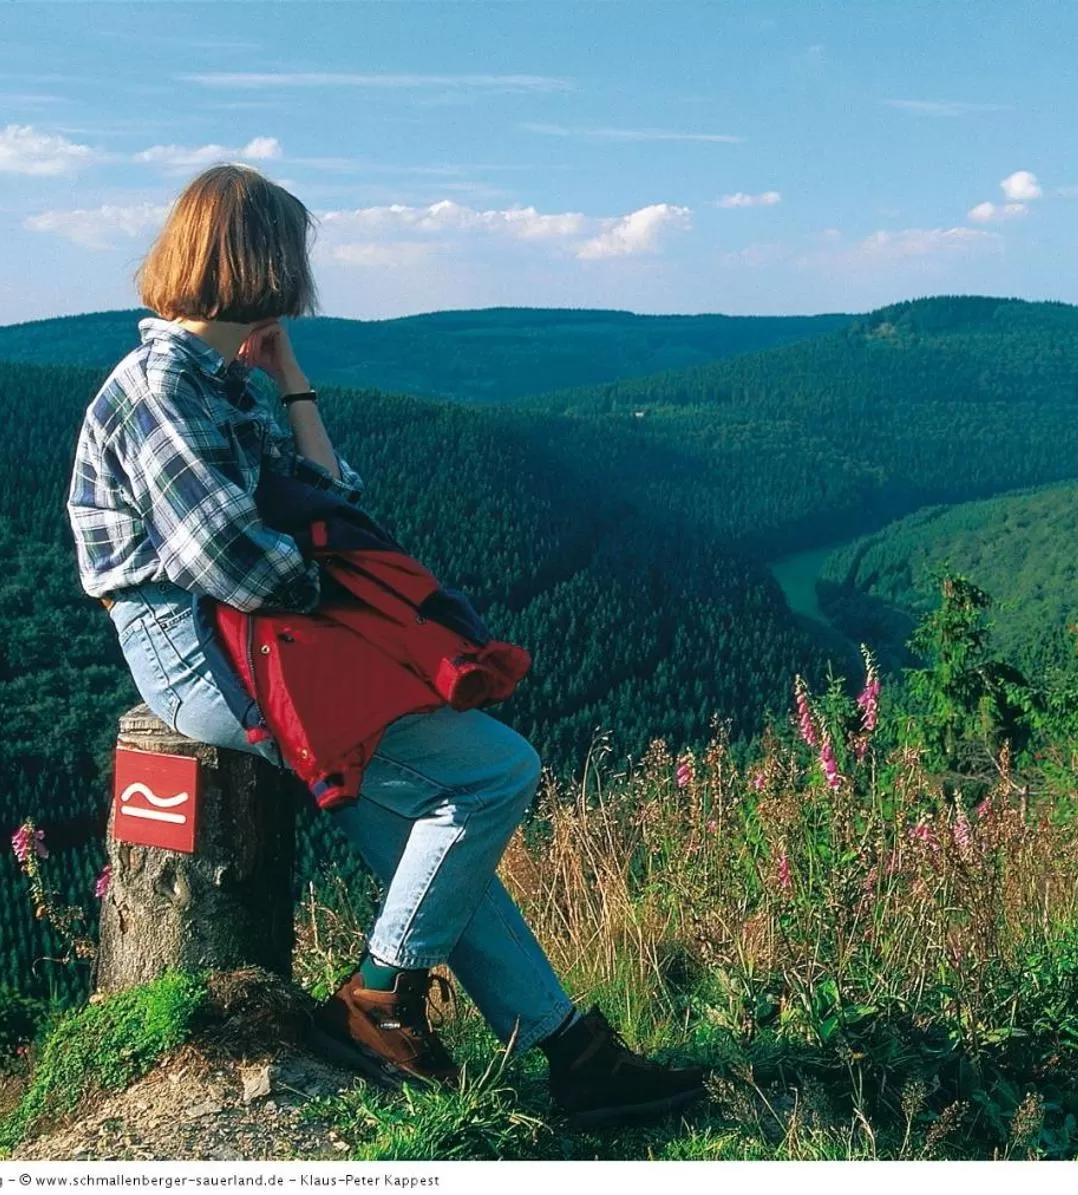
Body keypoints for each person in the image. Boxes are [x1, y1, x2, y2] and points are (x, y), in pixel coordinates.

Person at [66, 162, 706, 1128]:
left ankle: (568, 1052)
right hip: (200, 648)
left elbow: (333, 495)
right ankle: (376, 999)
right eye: (291, 252)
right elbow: (237, 562)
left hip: (260, 632)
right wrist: (352, 597)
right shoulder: (162, 388)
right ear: (261, 261)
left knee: (433, 841)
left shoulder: (222, 381)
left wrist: (291, 384)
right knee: (493, 772)